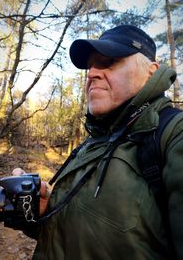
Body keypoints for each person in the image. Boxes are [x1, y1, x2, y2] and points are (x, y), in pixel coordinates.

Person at [14, 25, 183, 260]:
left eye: (108, 61)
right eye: (91, 65)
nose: (92, 73)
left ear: (151, 72)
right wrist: (44, 214)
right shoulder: (94, 140)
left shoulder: (174, 134)